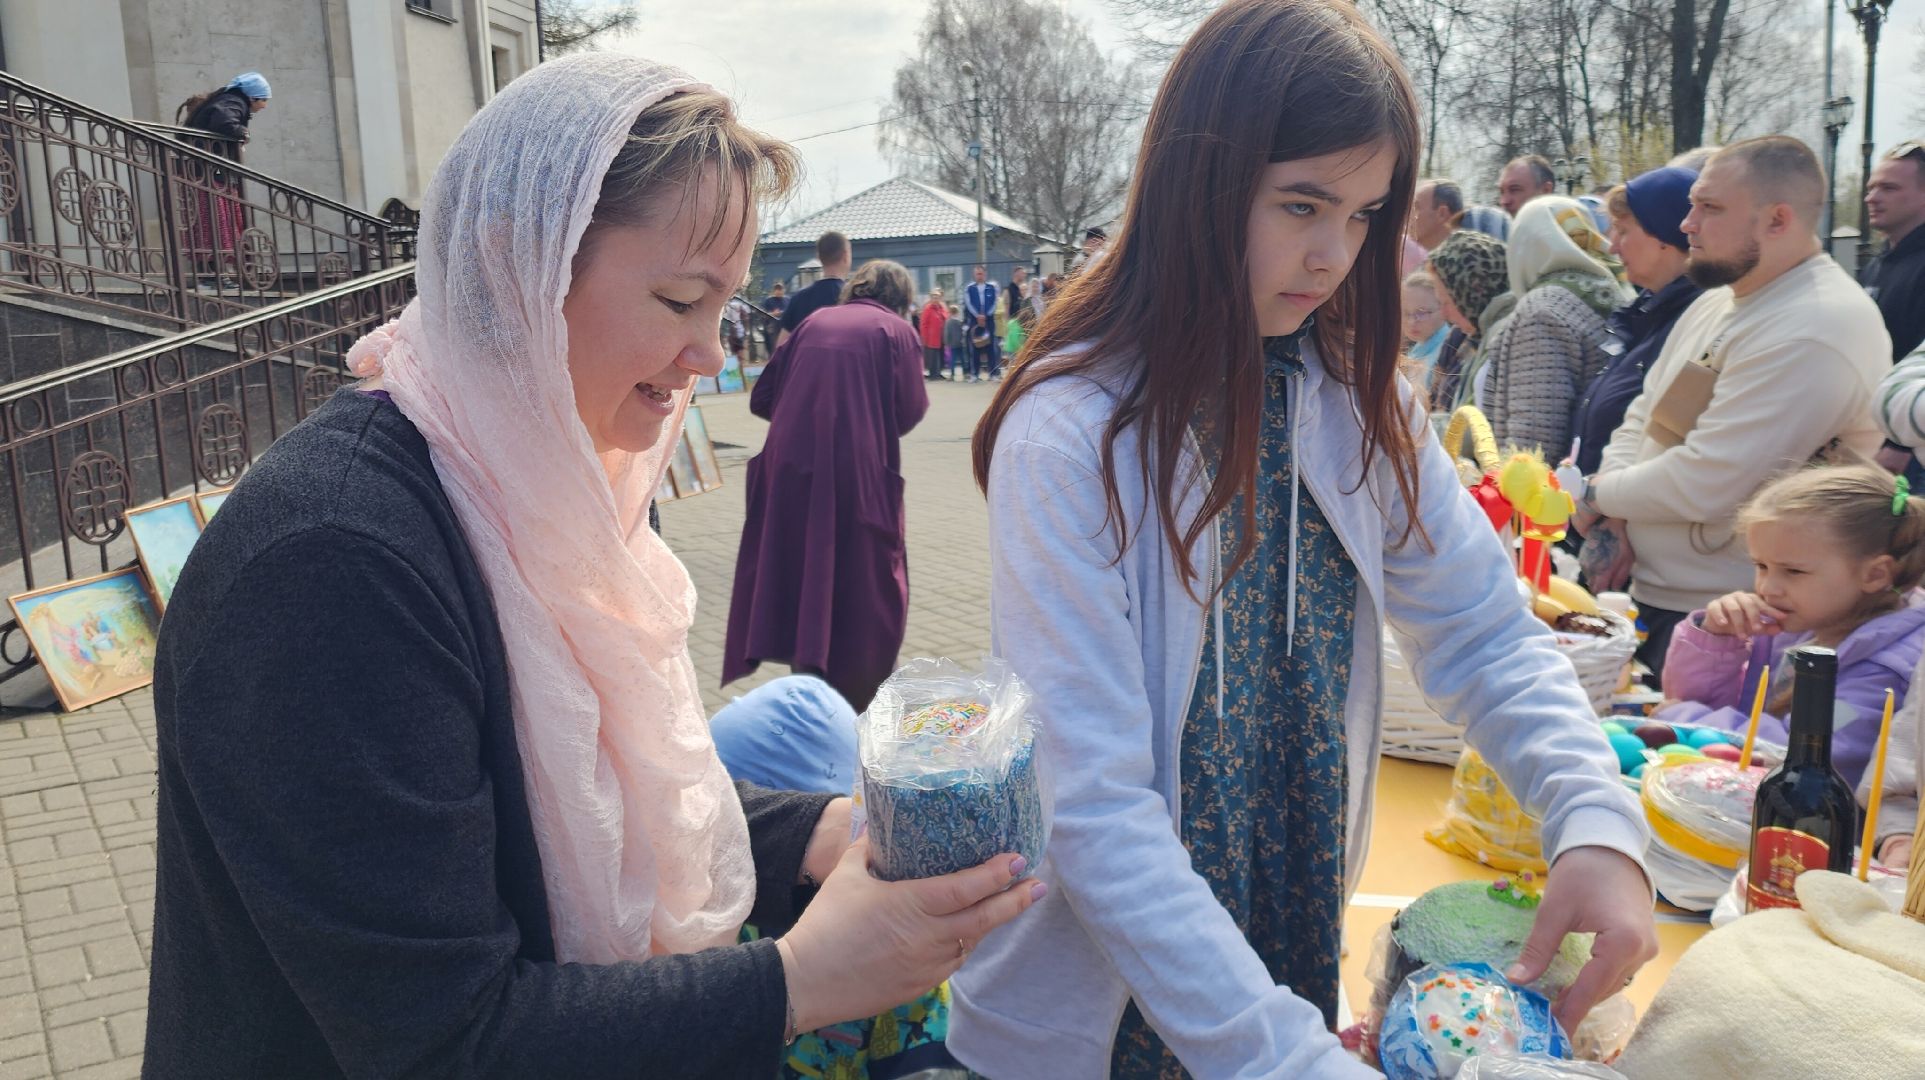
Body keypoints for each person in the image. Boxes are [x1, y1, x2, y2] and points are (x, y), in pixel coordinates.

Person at [141, 56, 1038, 1079]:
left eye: (725, 306)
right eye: (677, 298)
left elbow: (579, 798)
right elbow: (441, 1038)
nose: (710, 354)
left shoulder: (523, 476)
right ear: (515, 262)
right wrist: (802, 979)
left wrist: (821, 833)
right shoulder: (332, 569)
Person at [952, 3, 1659, 1076]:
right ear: (1198, 181)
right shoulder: (1070, 429)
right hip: (1108, 1013)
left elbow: (1478, 628)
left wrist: (1590, 814)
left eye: (1367, 214)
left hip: (1279, 960)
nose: (1332, 254)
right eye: (1299, 204)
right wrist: (1283, 1057)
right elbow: (1092, 807)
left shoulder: (1353, 392)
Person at [1573, 136, 1892, 681]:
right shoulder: (1721, 299)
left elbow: (1708, 479)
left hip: (1745, 627)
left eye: (1710, 208)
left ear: (1778, 219)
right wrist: (1615, 509)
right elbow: (1646, 417)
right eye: (1693, 203)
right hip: (1666, 602)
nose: (1687, 223)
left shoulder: (1818, 323)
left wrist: (1595, 494)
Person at [725, 260, 929, 714]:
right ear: (901, 296)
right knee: (867, 579)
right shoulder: (895, 331)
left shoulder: (813, 321)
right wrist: (861, 418)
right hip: (858, 470)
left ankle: (810, 687)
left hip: (791, 470)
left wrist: (809, 411)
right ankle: (860, 704)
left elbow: (763, 398)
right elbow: (911, 409)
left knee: (802, 574)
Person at [1654, 464, 1925, 789]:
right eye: (1761, 566)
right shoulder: (1798, 623)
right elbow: (1690, 700)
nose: (1768, 587)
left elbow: (1799, 754)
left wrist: (1681, 719)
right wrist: (1716, 638)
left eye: (1793, 571)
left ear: (1875, 574)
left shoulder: (1884, 674)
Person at [1568, 166, 1703, 476]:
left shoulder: (1692, 320)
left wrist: (1607, 496)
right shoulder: (1643, 316)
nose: (1613, 246)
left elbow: (1670, 439)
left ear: (1664, 235)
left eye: (1624, 231)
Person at [1479, 195, 1628, 454]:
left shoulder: (1542, 310)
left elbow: (1534, 438)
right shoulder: (1615, 288)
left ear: (1523, 246)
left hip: (1554, 487)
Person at [1861, 142, 1925, 473]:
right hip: (1873, 439)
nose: (1871, 197)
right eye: (1871, 187)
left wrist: (1898, 444)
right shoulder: (1878, 263)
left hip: (1908, 457)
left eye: (1888, 188)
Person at [175, 72, 271, 273]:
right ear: (253, 97)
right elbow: (225, 123)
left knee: (215, 225)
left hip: (207, 173)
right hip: (209, 175)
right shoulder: (233, 101)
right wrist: (243, 134)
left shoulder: (229, 100)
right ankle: (214, 274)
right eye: (264, 100)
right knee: (216, 225)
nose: (265, 106)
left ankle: (216, 273)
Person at [1425, 228, 1512, 411]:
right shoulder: (1463, 339)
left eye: (1446, 302)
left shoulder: (1510, 346)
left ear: (1472, 294)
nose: (1445, 315)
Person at [777, 231, 851, 346]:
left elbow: (781, 346)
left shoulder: (799, 299)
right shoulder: (854, 297)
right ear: (846, 256)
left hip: (806, 362)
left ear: (818, 257)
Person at [1400, 270, 1450, 391]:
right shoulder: (1417, 350)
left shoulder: (1446, 352)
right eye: (1406, 313)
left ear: (1443, 308)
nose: (1412, 321)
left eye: (1422, 313)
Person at [963, 265, 1000, 381]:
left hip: (988, 321)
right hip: (975, 322)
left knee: (991, 347)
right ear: (974, 275)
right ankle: (974, 374)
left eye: (981, 273)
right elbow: (968, 303)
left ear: (985, 274)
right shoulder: (969, 289)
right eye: (977, 274)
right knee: (974, 348)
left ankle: (993, 374)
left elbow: (995, 303)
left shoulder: (991, 288)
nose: (980, 276)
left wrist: (986, 315)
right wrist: (977, 315)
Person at [1408, 178, 1465, 250]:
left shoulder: (1466, 258)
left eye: (1416, 208)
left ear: (1442, 214)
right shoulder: (1398, 253)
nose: (1408, 216)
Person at [918, 287, 948, 379]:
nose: (936, 299)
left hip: (941, 336)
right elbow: (923, 324)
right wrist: (924, 337)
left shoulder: (942, 308)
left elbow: (946, 317)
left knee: (940, 354)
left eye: (938, 297)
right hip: (931, 337)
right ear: (931, 298)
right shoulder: (928, 309)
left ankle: (938, 372)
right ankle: (933, 374)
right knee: (932, 356)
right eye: (934, 297)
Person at [760, 279, 788, 358]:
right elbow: (763, 314)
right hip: (773, 327)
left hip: (785, 326)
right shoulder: (769, 301)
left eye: (780, 289)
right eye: (777, 289)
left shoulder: (787, 300)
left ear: (784, 290)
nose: (779, 291)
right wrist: (773, 314)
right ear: (774, 291)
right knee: (774, 347)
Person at [943, 302, 966, 380]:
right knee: (963, 359)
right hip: (960, 343)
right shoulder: (960, 321)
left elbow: (946, 333)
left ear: (950, 312)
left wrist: (946, 342)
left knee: (952, 359)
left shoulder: (948, 322)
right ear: (957, 312)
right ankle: (965, 374)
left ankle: (952, 375)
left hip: (952, 343)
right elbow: (963, 332)